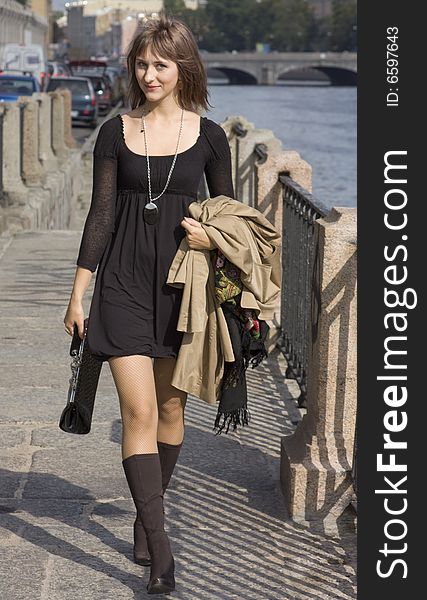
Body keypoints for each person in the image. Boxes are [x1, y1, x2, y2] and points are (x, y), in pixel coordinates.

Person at [63, 13, 235, 595]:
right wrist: (78, 291)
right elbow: (101, 215)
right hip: (122, 283)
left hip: (185, 291)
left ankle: (145, 515)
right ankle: (163, 551)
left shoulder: (210, 137)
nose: (149, 73)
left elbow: (233, 219)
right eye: (142, 63)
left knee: (169, 414)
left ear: (184, 66)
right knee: (137, 413)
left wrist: (210, 237)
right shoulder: (116, 132)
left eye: (160, 64)